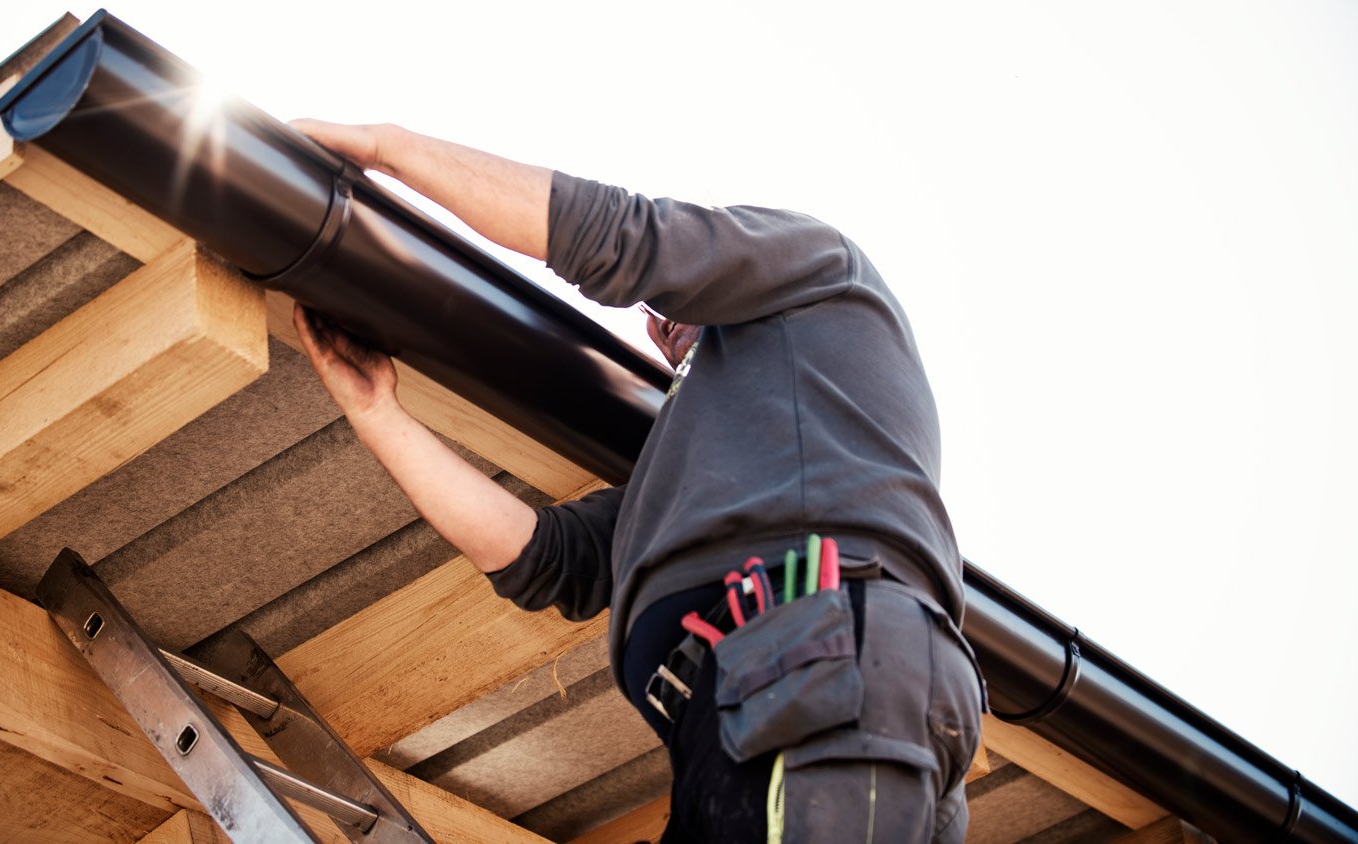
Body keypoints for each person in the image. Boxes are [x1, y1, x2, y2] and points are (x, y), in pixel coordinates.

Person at [289, 119, 985, 843]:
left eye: (679, 302)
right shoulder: (702, 481)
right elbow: (549, 561)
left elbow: (624, 237)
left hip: (817, 669)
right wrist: (377, 414)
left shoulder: (821, 268)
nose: (662, 323)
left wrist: (386, 147)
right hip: (757, 707)